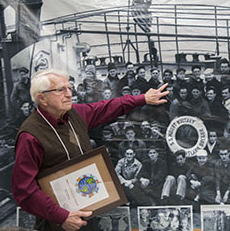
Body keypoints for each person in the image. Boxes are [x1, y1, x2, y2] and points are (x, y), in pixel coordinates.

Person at [11, 68, 168, 231]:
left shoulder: (74, 114)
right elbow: (23, 190)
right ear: (42, 98)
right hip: (57, 222)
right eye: (60, 90)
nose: (69, 94)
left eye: (69, 89)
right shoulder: (30, 136)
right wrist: (61, 216)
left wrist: (142, 98)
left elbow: (107, 107)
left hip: (86, 211)